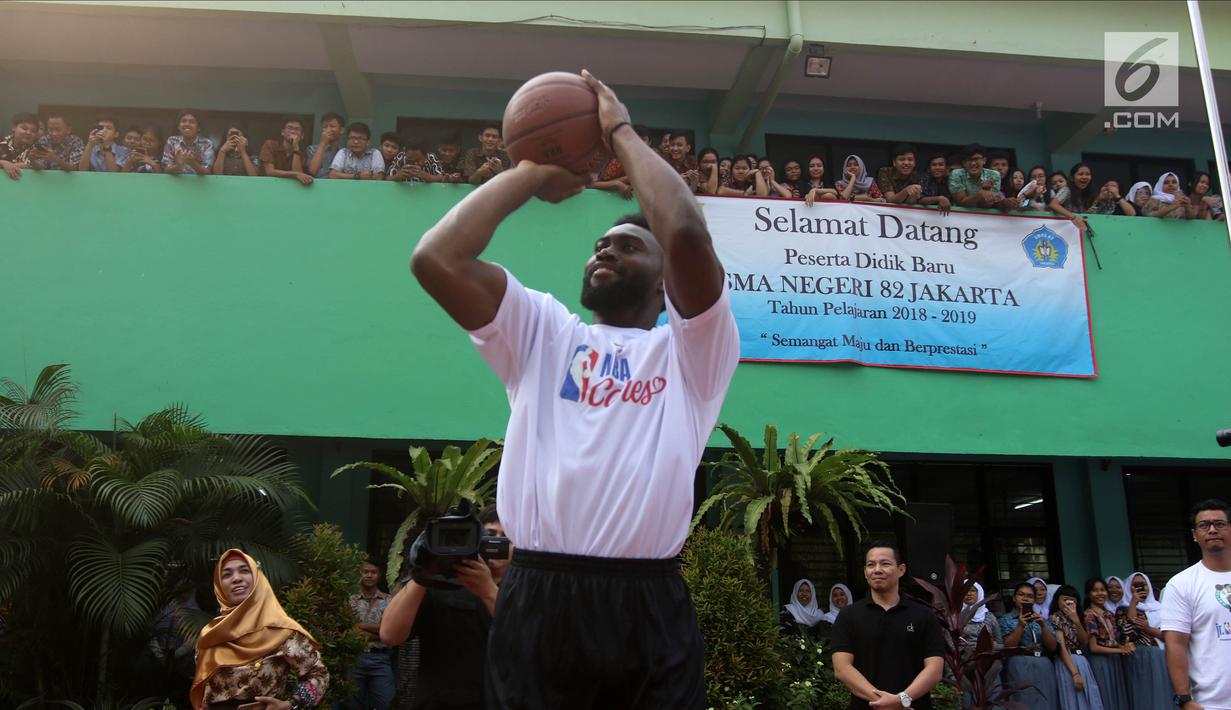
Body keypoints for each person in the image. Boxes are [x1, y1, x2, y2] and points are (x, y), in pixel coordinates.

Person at [410, 68, 738, 709]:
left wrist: (617, 131)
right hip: (540, 592)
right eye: (599, 244)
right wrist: (532, 172)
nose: (605, 251)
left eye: (627, 246)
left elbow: (688, 235)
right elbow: (435, 259)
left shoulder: (691, 352)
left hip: (647, 600)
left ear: (664, 274)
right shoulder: (544, 333)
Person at [380, 504, 510, 710]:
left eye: (505, 537)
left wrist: (488, 591)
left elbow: (528, 641)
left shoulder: (524, 591)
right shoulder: (438, 584)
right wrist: (424, 570)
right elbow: (389, 634)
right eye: (490, 534)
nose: (496, 541)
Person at [191, 548, 329, 710]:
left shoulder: (281, 631)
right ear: (219, 587)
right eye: (227, 574)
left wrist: (291, 705)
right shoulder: (210, 634)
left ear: (257, 578)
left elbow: (319, 675)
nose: (236, 578)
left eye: (244, 571)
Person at [832, 542, 944, 709]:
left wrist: (902, 699)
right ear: (865, 572)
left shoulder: (924, 615)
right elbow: (842, 669)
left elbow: (935, 670)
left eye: (885, 563)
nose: (877, 570)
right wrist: (887, 703)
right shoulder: (848, 616)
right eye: (871, 565)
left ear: (901, 570)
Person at [1161, 499, 1231, 710]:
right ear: (1194, 535)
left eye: (1219, 524)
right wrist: (1184, 699)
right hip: (1211, 704)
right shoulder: (1181, 584)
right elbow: (1176, 644)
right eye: (1204, 525)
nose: (1212, 530)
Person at [1000, 581, 1060, 710]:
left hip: (1043, 664)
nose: (1025, 598)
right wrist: (1021, 625)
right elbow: (1008, 646)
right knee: (1022, 702)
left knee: (1046, 701)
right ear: (1014, 597)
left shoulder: (1042, 619)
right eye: (1021, 594)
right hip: (1019, 664)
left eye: (1030, 596)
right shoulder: (1006, 619)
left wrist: (1043, 626)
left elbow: (1052, 647)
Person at [1118, 571, 1170, 710]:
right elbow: (1129, 631)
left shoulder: (1160, 607)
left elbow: (1169, 635)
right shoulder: (1123, 608)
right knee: (1145, 695)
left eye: (1144, 584)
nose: (1141, 588)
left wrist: (1149, 629)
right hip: (1140, 657)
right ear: (1129, 587)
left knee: (1164, 693)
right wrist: (1133, 603)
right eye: (1136, 585)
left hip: (1161, 655)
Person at [1047, 584, 1103, 710]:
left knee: (1090, 700)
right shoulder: (1056, 617)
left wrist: (1077, 621)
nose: (1069, 603)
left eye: (1073, 601)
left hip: (1081, 659)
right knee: (1073, 701)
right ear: (1057, 600)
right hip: (1067, 663)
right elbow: (1061, 646)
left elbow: (1084, 642)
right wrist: (1075, 673)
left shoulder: (1078, 617)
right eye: (1065, 599)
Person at [348, 560, 394, 710]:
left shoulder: (389, 601)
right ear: (360, 574)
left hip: (380, 659)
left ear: (379, 575)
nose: (369, 575)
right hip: (354, 659)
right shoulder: (351, 601)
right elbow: (348, 630)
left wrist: (362, 626)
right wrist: (380, 631)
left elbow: (392, 630)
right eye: (365, 572)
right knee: (352, 705)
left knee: (387, 703)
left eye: (373, 572)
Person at [1082, 577, 1132, 710]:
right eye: (1095, 590)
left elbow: (1113, 642)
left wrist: (1125, 647)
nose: (1100, 593)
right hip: (1100, 662)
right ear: (1088, 594)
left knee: (1118, 698)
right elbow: (1093, 647)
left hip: (1114, 660)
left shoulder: (1109, 614)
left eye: (1103, 590)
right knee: (1106, 698)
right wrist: (1121, 650)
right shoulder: (1089, 615)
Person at [949, 145, 1007, 211]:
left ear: (984, 161)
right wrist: (980, 193)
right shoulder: (956, 174)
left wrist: (986, 191)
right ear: (964, 163)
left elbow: (988, 205)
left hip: (984, 216)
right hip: (959, 215)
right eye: (969, 159)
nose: (973, 163)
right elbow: (961, 202)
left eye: (976, 159)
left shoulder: (994, 175)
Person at [260, 117, 313, 185]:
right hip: (266, 186)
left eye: (297, 129)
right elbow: (270, 171)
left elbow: (300, 175)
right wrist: (295, 174)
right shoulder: (270, 145)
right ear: (282, 132)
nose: (293, 132)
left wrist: (295, 149)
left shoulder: (302, 155)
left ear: (302, 135)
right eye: (289, 128)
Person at [162, 110, 213, 176]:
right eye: (183, 121)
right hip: (175, 183)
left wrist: (192, 162)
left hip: (198, 184)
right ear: (178, 127)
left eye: (192, 122)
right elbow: (165, 170)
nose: (187, 124)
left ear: (198, 128)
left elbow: (207, 172)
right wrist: (179, 165)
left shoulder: (206, 144)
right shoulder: (172, 141)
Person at [1, 111, 39, 180]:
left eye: (33, 131)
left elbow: (41, 167)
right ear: (14, 128)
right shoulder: (1, 143)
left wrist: (31, 165)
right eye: (24, 128)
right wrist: (3, 163)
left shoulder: (37, 148)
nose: (28, 133)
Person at [306, 112, 345, 179]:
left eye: (332, 126)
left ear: (341, 130)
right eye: (325, 127)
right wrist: (323, 143)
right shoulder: (312, 149)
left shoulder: (344, 153)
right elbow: (312, 171)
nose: (328, 130)